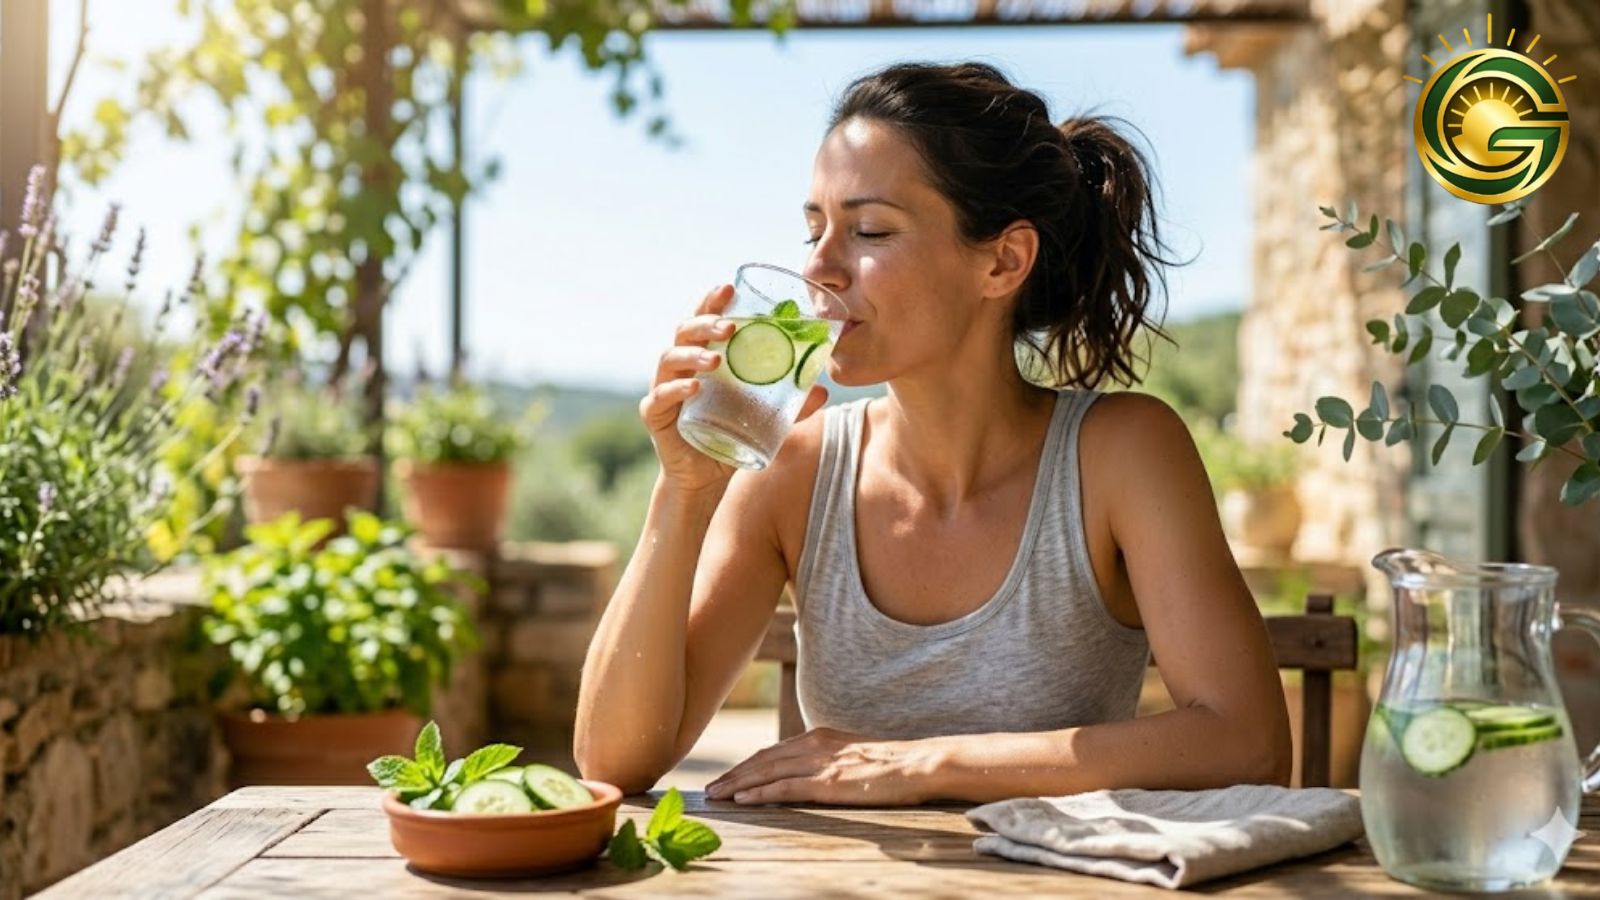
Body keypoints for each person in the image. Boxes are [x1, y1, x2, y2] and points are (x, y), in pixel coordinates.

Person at [574, 61, 1291, 805]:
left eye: (870, 230)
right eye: (814, 228)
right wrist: (683, 492)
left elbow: (1248, 742)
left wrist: (924, 764)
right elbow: (613, 762)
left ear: (1003, 261)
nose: (819, 267)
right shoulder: (795, 470)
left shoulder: (1122, 453)